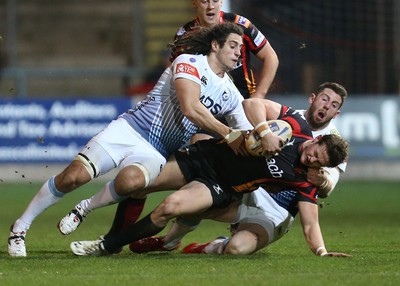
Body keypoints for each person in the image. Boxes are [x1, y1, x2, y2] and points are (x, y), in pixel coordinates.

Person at [7, 23, 253, 257]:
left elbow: (246, 134)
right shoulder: (189, 63)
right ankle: (19, 228)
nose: (237, 52)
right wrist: (228, 133)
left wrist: (262, 139)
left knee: (131, 182)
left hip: (158, 149)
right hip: (130, 129)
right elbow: (191, 108)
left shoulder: (231, 93)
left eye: (240, 48)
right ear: (214, 46)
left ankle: (85, 207)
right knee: (73, 176)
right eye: (232, 45)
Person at [56, 0, 279, 244]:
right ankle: (120, 237)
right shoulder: (185, 35)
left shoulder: (239, 25)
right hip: (196, 117)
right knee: (144, 181)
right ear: (195, 4)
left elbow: (271, 57)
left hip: (235, 112)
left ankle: (180, 236)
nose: (211, 5)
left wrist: (257, 99)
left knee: (235, 171)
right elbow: (178, 80)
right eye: (205, 0)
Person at [69, 101, 349, 256]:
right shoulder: (296, 126)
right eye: (315, 153)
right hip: (206, 156)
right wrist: (264, 132)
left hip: (222, 185)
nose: (311, 159)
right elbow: (251, 104)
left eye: (318, 163)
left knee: (170, 207)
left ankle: (108, 245)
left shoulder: (303, 179)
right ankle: (89, 211)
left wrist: (323, 252)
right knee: (139, 183)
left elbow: (311, 222)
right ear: (317, 139)